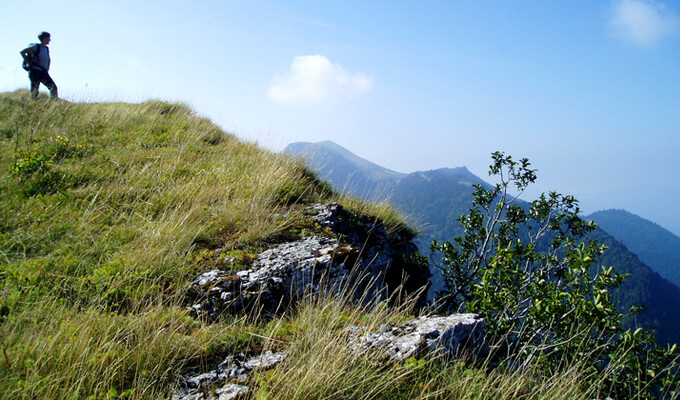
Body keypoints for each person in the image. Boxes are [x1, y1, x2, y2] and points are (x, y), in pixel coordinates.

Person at [20, 31, 58, 100]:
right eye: (48, 38)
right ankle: (32, 104)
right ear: (44, 38)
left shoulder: (46, 48)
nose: (50, 40)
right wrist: (27, 62)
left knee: (53, 87)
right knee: (35, 91)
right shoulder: (35, 47)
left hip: (43, 72)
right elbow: (23, 52)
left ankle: (54, 103)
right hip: (35, 71)